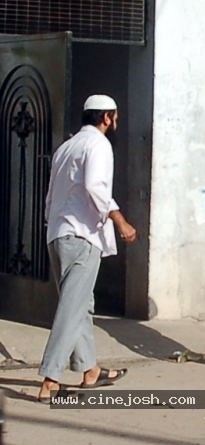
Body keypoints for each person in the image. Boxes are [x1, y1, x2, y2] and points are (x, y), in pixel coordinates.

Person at [37, 95, 136, 403]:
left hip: (58, 233)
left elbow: (52, 195)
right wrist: (121, 221)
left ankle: (89, 370)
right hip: (81, 236)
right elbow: (96, 187)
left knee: (81, 304)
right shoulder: (98, 145)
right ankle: (50, 379)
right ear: (107, 117)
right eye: (114, 117)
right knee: (71, 307)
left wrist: (51, 227)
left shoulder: (67, 147)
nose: (115, 122)